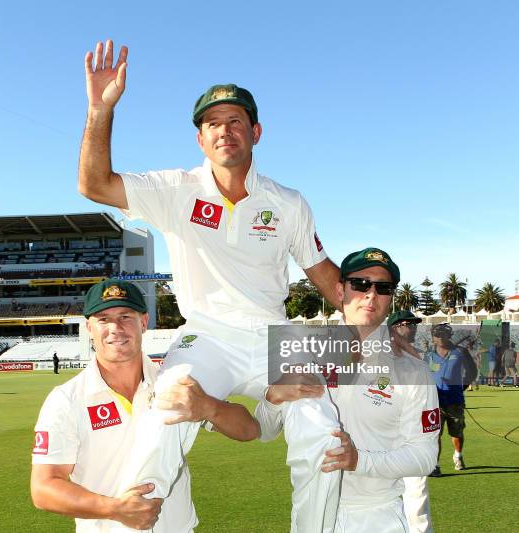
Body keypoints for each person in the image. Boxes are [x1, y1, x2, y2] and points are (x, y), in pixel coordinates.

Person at [77, 39, 341, 532]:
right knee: (167, 412)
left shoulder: (288, 203)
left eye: (235, 120)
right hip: (207, 333)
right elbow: (94, 185)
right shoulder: (174, 189)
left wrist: (375, 331)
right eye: (213, 123)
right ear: (201, 139)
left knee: (324, 434)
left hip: (273, 335)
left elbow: (327, 278)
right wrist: (100, 109)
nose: (224, 130)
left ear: (256, 132)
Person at [30, 279, 258, 532]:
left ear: (144, 322)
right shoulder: (67, 399)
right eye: (103, 319)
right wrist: (115, 509)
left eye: (125, 316)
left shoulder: (174, 380)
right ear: (89, 328)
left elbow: (249, 430)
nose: (115, 328)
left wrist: (209, 408)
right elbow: (43, 488)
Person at [257, 248, 440, 533]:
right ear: (340, 291)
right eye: (361, 284)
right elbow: (264, 429)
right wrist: (273, 397)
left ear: (391, 298)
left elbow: (425, 457)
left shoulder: (412, 371)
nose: (371, 294)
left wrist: (359, 460)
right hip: (309, 513)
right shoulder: (303, 353)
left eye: (383, 288)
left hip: (376, 517)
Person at [388, 310, 433, 533]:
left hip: (413, 436)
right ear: (394, 327)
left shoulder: (419, 357)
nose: (413, 328)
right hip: (384, 435)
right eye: (408, 324)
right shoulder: (379, 355)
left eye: (415, 324)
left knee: (417, 495)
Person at [427, 323, 467, 475]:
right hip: (434, 401)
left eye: (443, 334)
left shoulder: (459, 353)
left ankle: (458, 455)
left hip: (454, 401)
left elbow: (471, 371)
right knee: (435, 434)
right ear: (433, 338)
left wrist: (460, 389)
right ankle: (435, 465)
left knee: (456, 433)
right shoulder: (428, 355)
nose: (440, 337)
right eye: (437, 335)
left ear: (448, 336)